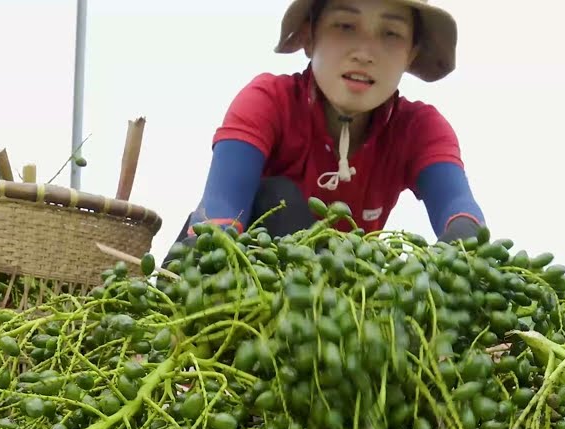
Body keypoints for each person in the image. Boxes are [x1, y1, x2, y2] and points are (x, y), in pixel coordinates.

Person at [171, 0, 484, 251]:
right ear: (309, 37)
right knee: (280, 197)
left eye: (390, 33)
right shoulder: (268, 101)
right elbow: (220, 210)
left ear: (411, 53)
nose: (364, 53)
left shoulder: (419, 128)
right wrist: (210, 254)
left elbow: (458, 208)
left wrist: (459, 245)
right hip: (237, 274)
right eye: (345, 26)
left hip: (338, 304)